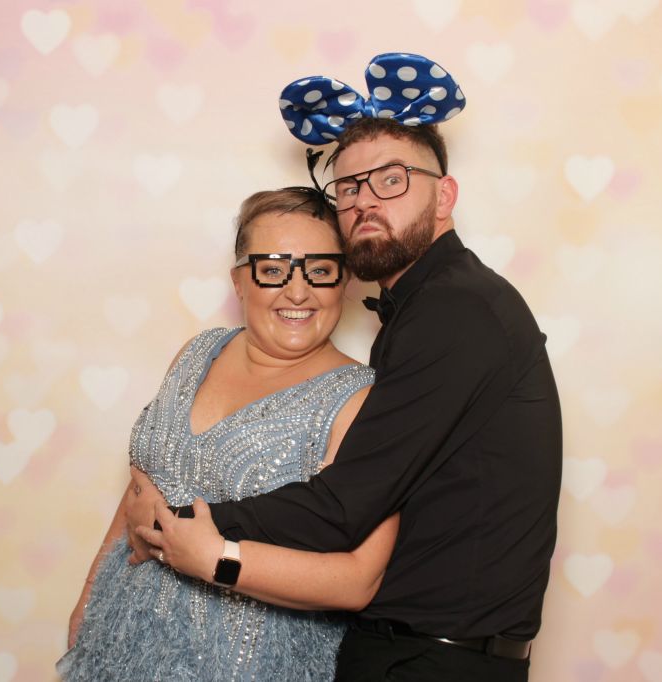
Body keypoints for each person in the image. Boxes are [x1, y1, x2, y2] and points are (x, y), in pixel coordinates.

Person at [131, 53, 562, 682]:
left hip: (435, 661)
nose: (364, 201)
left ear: (444, 196)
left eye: (391, 180)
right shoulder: (420, 312)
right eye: (350, 187)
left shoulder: (457, 312)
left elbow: (344, 507)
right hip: (413, 651)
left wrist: (190, 525)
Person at [58, 186, 401, 681]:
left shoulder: (362, 401)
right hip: (118, 641)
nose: (297, 291)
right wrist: (89, 600)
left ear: (343, 280)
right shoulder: (198, 353)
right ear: (239, 281)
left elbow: (357, 581)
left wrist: (213, 559)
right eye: (272, 270)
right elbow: (140, 491)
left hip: (248, 665)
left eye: (320, 270)